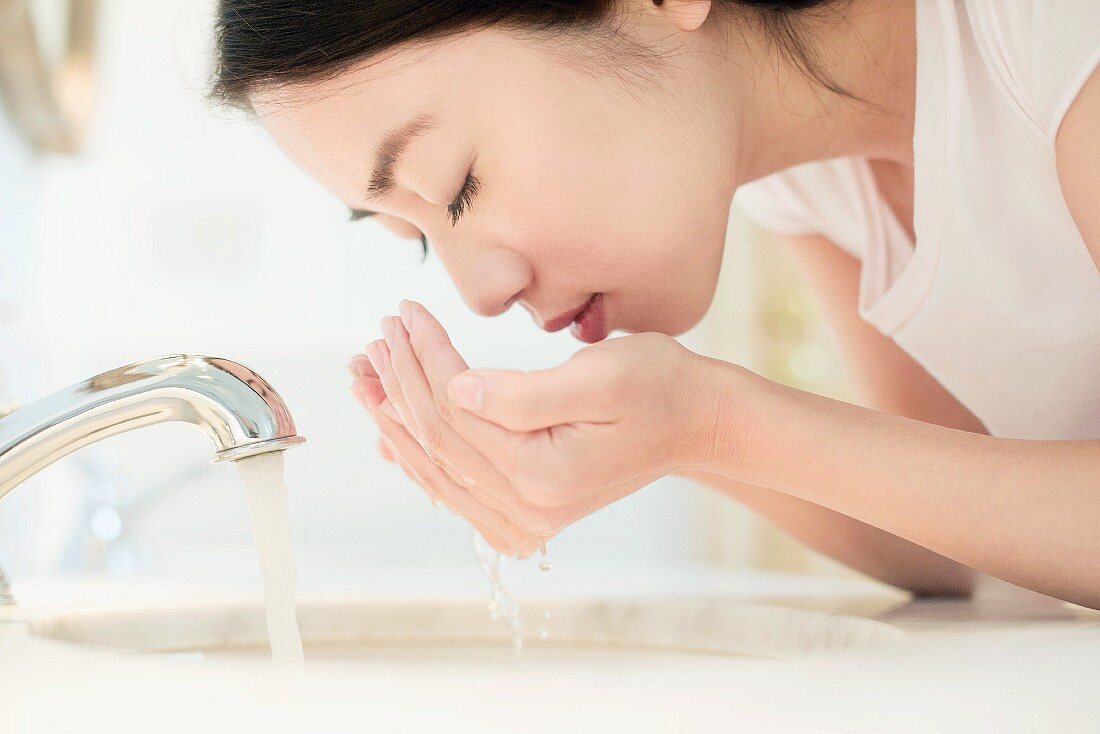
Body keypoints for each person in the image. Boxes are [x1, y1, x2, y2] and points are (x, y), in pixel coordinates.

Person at [208, 1, 1100, 608]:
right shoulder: (806, 177)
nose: (479, 295)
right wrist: (657, 439)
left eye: (459, 185)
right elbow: (953, 534)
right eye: (410, 233)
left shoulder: (1049, 30)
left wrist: (720, 425)